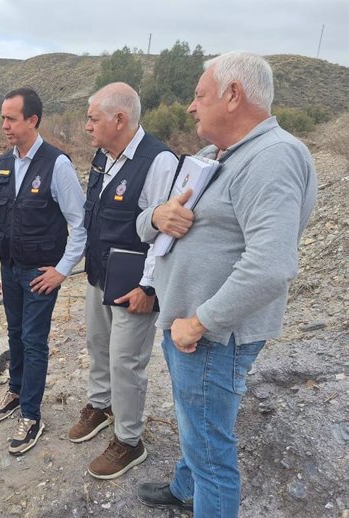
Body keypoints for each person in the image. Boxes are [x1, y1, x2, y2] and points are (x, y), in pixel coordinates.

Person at [135, 52, 317, 517]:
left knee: (212, 450)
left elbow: (271, 266)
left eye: (199, 96)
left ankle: (200, 490)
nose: (191, 107)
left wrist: (199, 323)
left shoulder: (273, 158)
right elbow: (144, 224)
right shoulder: (211, 158)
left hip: (211, 337)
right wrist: (157, 216)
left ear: (232, 95)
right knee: (194, 421)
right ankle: (184, 487)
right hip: (187, 327)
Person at [68, 83, 178, 479]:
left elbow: (165, 232)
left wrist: (149, 288)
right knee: (98, 347)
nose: (86, 127)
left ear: (120, 119)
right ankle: (101, 404)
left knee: (126, 364)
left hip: (134, 286)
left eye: (92, 119)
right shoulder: (103, 156)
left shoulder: (159, 162)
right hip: (100, 276)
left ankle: (129, 441)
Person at [0, 87, 87, 455]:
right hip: (10, 269)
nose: (5, 125)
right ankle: (16, 390)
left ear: (33, 120)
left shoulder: (56, 164)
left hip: (40, 273)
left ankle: (31, 414)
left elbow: (81, 224)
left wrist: (61, 270)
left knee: (33, 339)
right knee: (14, 334)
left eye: (11, 118)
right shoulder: (3, 163)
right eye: (2, 118)